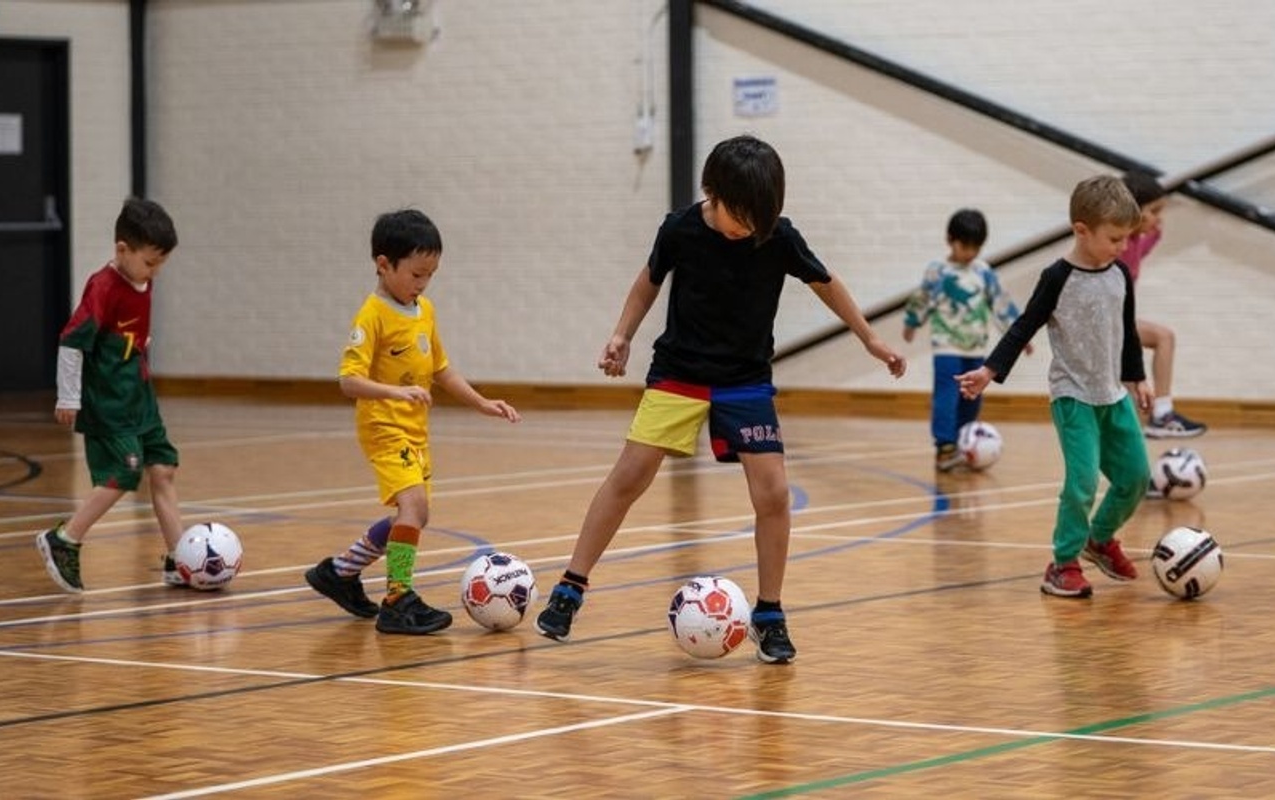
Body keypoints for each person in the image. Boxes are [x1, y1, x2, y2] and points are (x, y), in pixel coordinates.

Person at [532, 134, 907, 663]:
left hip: (745, 380)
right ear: (714, 193)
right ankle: (570, 587)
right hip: (679, 372)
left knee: (773, 493)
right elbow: (648, 283)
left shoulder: (776, 235)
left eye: (760, 219)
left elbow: (826, 283)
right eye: (742, 216)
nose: (750, 229)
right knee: (629, 476)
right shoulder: (680, 228)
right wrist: (622, 335)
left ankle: (770, 612)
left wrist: (869, 338)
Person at [304, 209, 521, 634]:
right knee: (414, 507)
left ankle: (339, 572)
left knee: (412, 516)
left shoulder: (424, 311)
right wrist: (395, 392)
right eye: (416, 274)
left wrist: (480, 402)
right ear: (383, 265)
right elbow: (349, 381)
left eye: (430, 276)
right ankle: (397, 598)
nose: (422, 284)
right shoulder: (372, 315)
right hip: (384, 427)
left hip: (414, 429)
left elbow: (442, 369)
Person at [956, 175, 1151, 599]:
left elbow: (1128, 331)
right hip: (1073, 396)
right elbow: (1025, 325)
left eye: (1126, 238)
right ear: (1081, 230)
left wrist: (1137, 378)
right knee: (1081, 484)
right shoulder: (1058, 277)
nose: (1123, 248)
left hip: (1113, 394)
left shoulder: (1119, 273)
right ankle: (1062, 564)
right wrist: (990, 371)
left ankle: (1099, 539)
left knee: (1136, 477)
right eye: (1115, 238)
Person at [36, 198, 185, 593]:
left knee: (163, 469)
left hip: (140, 397)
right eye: (150, 263)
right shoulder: (103, 287)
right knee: (123, 475)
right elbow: (72, 341)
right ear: (122, 250)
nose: (156, 272)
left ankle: (180, 560)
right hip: (108, 403)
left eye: (160, 264)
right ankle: (65, 538)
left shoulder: (144, 280)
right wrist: (69, 397)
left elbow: (130, 331)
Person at [903, 208, 1027, 471]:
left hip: (975, 348)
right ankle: (944, 448)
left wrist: (1020, 335)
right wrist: (912, 323)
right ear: (950, 240)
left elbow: (1000, 303)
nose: (969, 253)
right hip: (946, 346)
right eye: (964, 246)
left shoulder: (984, 272)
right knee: (947, 396)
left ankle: (963, 443)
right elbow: (922, 299)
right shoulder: (938, 271)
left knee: (972, 397)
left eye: (975, 248)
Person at [1120, 171, 1206, 439]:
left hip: (1119, 324)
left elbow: (1139, 253)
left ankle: (1162, 414)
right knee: (1127, 398)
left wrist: (1154, 235)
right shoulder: (1118, 243)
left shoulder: (1132, 242)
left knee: (1164, 337)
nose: (1159, 217)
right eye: (1154, 211)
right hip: (1106, 328)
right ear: (1134, 210)